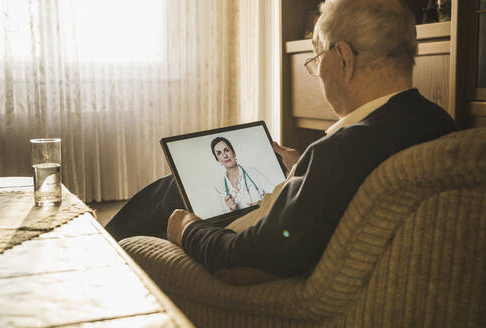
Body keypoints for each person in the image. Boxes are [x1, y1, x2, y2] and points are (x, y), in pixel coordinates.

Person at [107, 0, 456, 284]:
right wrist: (302, 166)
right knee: (173, 186)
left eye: (317, 58)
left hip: (263, 281)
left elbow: (244, 262)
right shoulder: (437, 122)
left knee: (168, 205)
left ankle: (100, 255)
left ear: (344, 59)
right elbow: (346, 174)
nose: (318, 73)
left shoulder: (338, 153)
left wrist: (187, 229)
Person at [210, 136, 274, 213]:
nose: (225, 156)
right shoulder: (220, 187)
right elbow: (226, 219)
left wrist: (262, 204)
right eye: (219, 153)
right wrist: (232, 210)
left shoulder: (252, 172)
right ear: (218, 159)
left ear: (233, 152)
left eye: (226, 150)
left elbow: (277, 192)